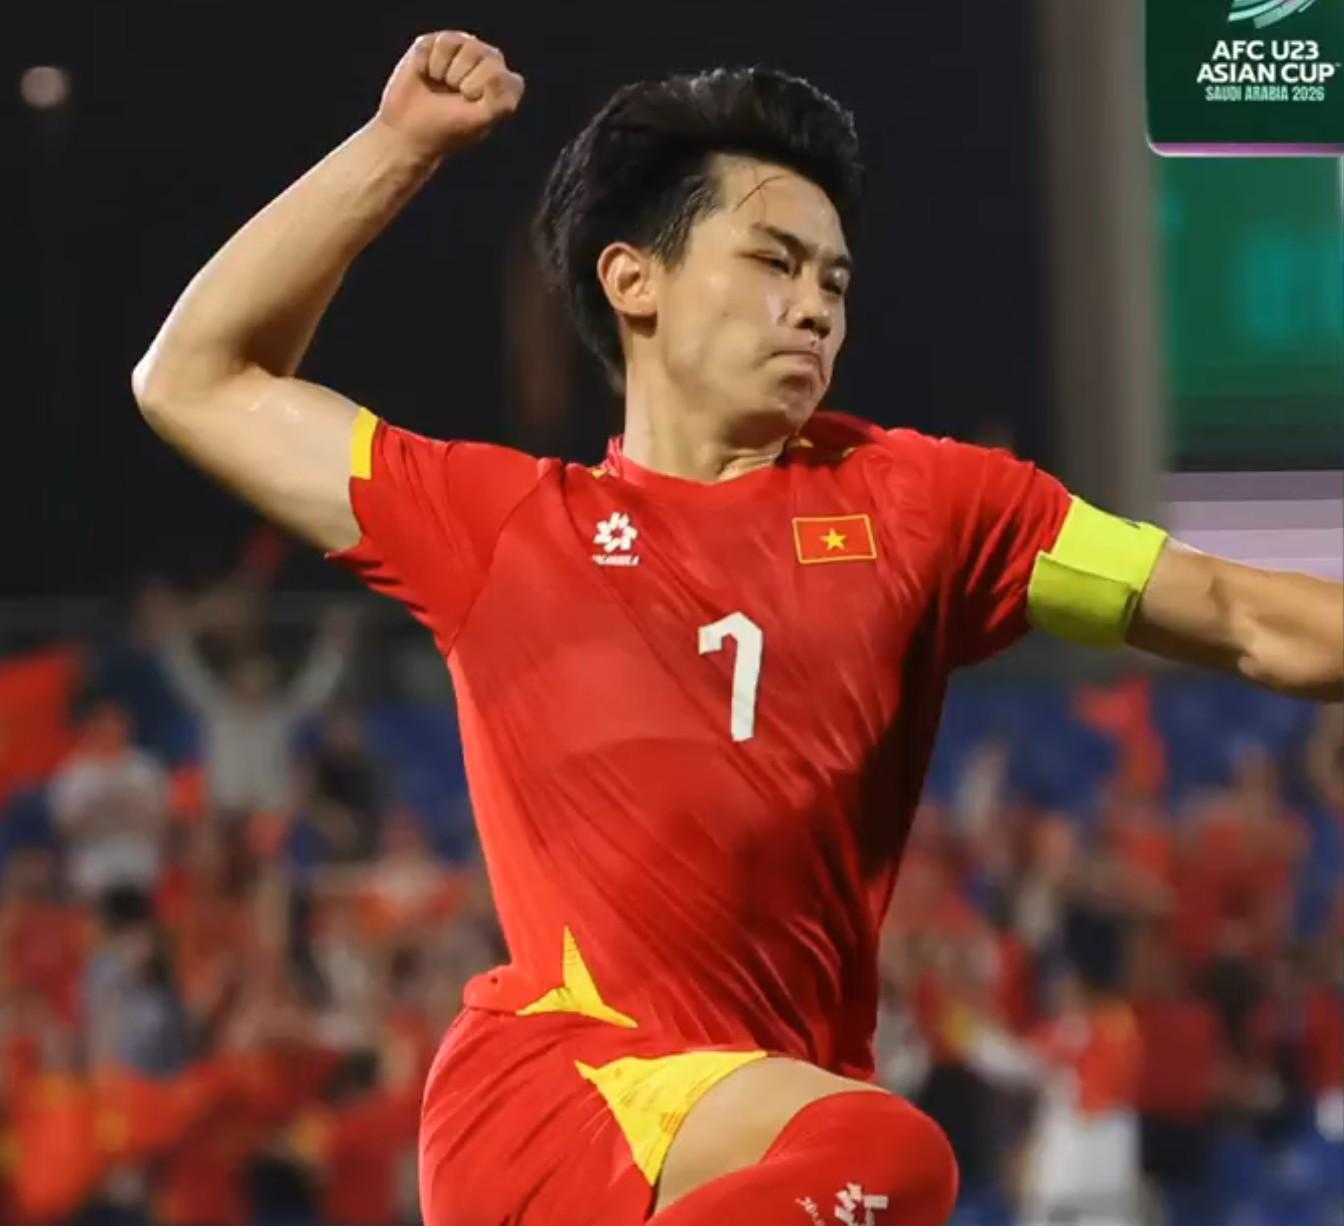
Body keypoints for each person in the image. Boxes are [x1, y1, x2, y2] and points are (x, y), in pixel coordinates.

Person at [131, 30, 1344, 1225]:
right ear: (634, 280)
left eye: (835, 282)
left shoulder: (932, 507)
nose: (814, 306)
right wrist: (399, 145)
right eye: (774, 261)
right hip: (562, 1094)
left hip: (765, 1147)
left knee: (872, 1154)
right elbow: (193, 378)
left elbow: (1242, 616)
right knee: (892, 1150)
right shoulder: (499, 527)